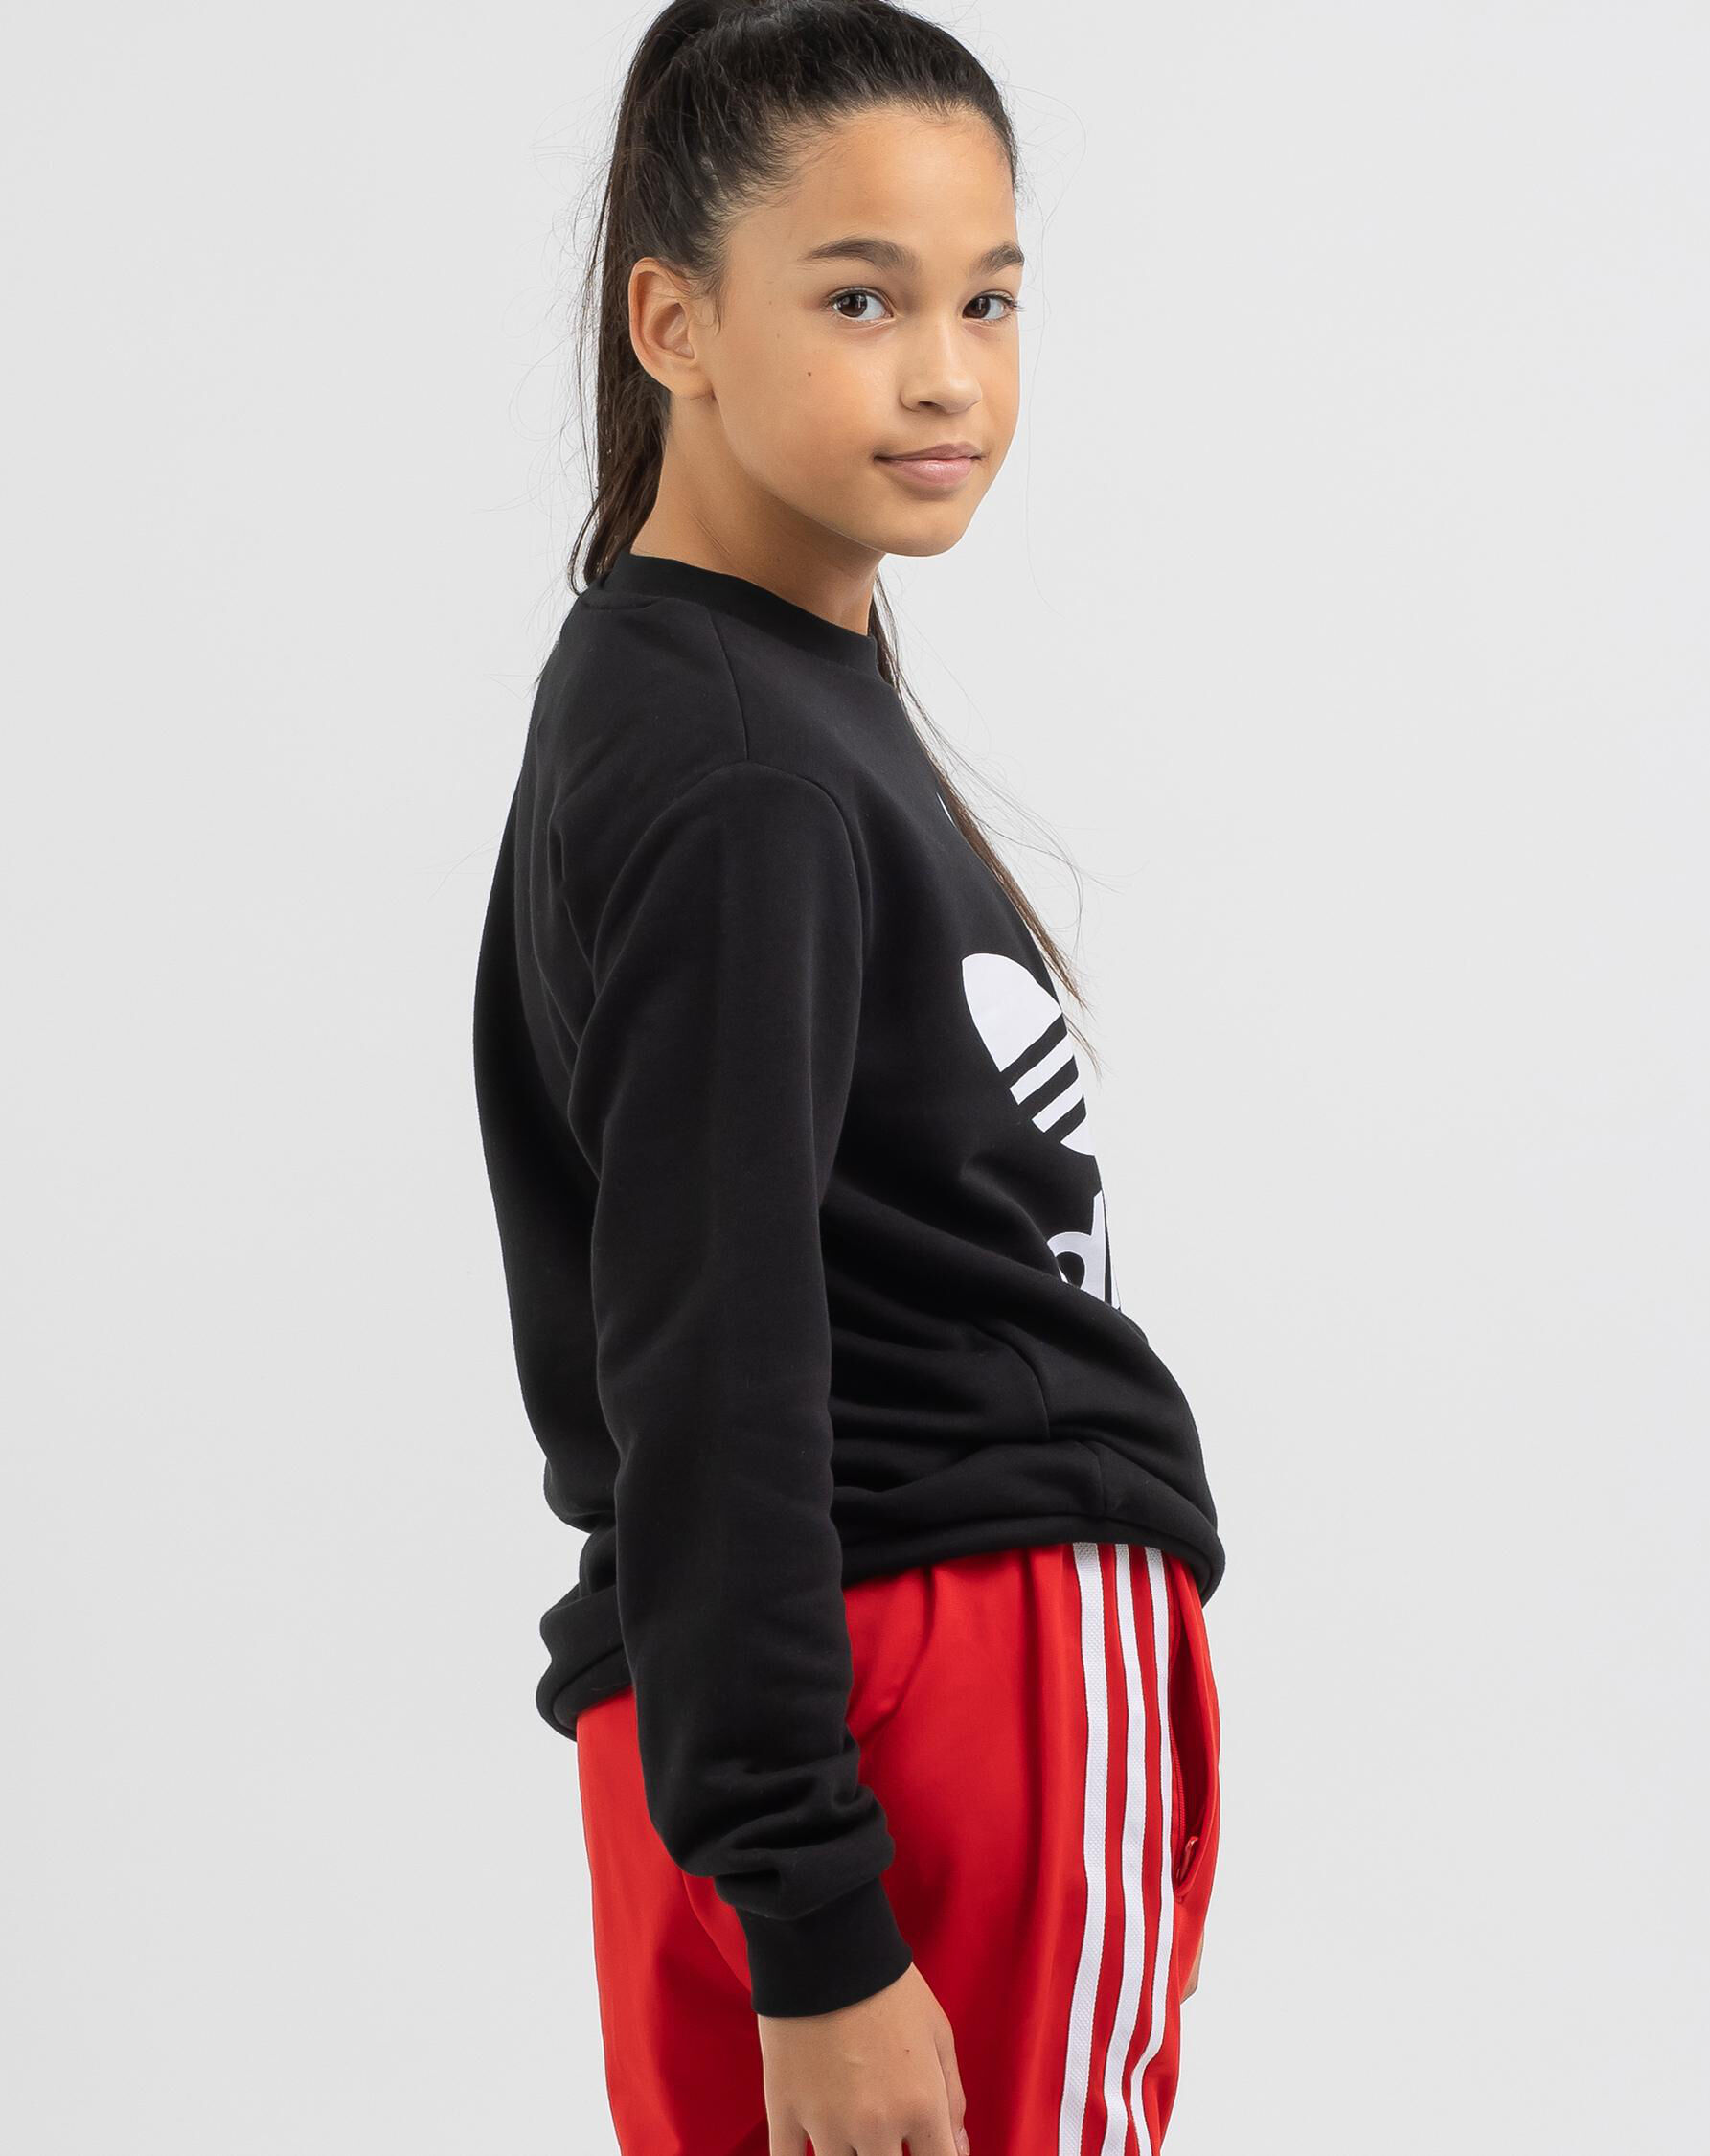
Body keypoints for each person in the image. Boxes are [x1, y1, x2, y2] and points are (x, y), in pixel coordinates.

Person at [471, 3, 1225, 2149]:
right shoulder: (747, 771)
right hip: (926, 1676)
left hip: (748, 1704)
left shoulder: (687, 691)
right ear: (674, 323)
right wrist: (814, 1903)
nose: (947, 375)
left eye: (990, 300)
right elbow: (712, 1352)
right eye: (863, 299)